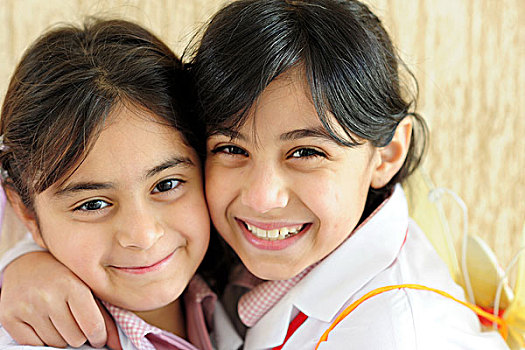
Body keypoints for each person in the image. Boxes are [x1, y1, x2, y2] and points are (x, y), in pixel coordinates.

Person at [0, 0, 510, 349]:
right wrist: (23, 263)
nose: (262, 197)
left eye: (307, 152)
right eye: (231, 148)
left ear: (385, 154)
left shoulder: (403, 332)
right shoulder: (222, 256)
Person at [0, 18, 240, 350]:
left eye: (167, 184)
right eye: (93, 204)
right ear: (25, 212)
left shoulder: (239, 284)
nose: (142, 235)